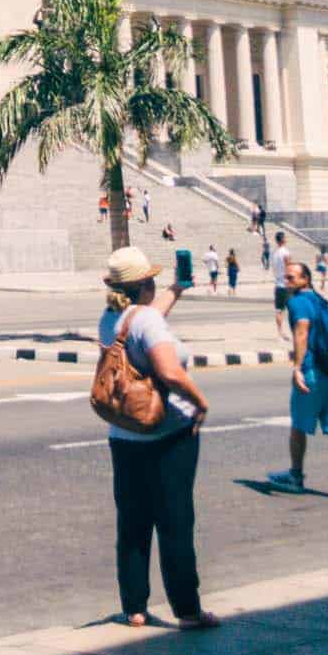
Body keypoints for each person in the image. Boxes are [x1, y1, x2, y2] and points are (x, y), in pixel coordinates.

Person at [97, 245, 217, 631]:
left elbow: (146, 316)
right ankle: (188, 609)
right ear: (144, 283)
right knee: (175, 521)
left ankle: (134, 608)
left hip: (124, 436)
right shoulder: (147, 322)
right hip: (167, 436)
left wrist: (176, 290)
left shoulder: (110, 317)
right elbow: (169, 372)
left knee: (132, 523)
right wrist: (200, 402)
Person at [268, 259, 328, 503]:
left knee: (299, 425)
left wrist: (298, 368)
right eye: (285, 276)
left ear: (305, 280)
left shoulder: (298, 302)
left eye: (292, 277)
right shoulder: (319, 300)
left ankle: (295, 476)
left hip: (312, 372)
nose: (286, 280)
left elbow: (301, 331)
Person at [270, 230, 291, 342]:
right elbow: (289, 267)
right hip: (286, 284)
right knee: (293, 309)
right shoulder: (285, 252)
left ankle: (280, 333)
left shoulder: (275, 253)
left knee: (279, 310)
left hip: (278, 283)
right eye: (285, 237)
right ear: (282, 239)